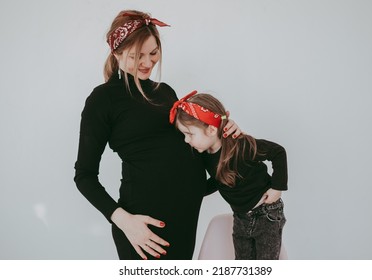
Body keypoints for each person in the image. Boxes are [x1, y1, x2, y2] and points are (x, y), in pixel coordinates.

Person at [73, 10, 240, 260]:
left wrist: (225, 133)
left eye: (153, 53)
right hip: (144, 228)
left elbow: (196, 146)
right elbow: (84, 176)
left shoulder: (166, 92)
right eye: (137, 55)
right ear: (117, 53)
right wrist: (124, 222)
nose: (148, 62)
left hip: (185, 217)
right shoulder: (102, 100)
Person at [170, 91, 288, 260]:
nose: (186, 140)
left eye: (190, 134)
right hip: (241, 218)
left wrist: (277, 188)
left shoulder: (241, 146)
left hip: (266, 213)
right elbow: (219, 181)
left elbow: (278, 152)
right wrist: (196, 191)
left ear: (211, 129)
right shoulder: (205, 155)